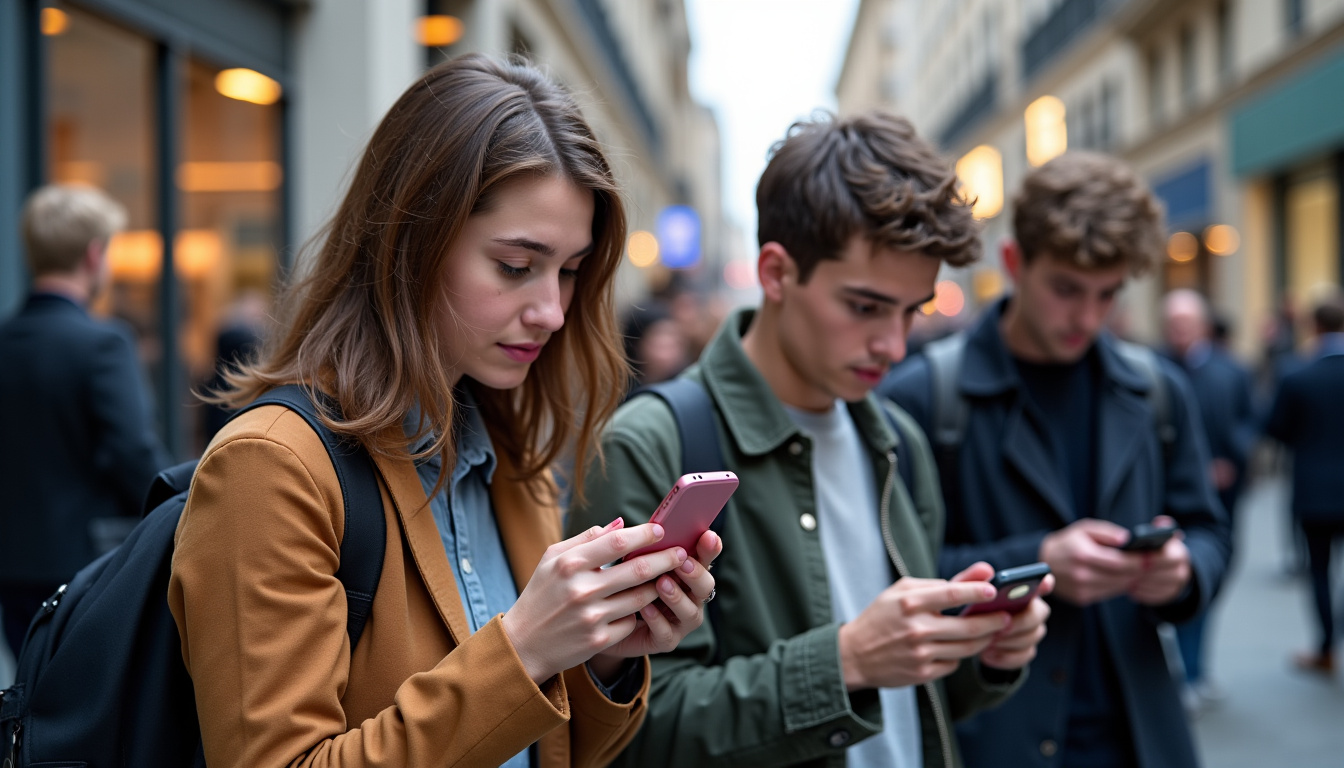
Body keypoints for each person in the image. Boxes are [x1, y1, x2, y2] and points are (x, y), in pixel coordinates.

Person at [167, 54, 720, 768]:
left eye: (572, 270)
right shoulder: (271, 467)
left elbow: (548, 748)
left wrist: (602, 657)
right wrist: (524, 646)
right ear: (410, 243)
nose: (552, 310)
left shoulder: (510, 454)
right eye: (516, 266)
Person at [570, 112, 1052, 768]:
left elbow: (907, 703)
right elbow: (636, 734)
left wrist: (980, 656)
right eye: (864, 306)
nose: (894, 344)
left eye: (912, 311)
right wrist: (846, 660)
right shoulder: (651, 444)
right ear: (775, 273)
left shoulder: (899, 442)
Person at [882, 152, 1231, 768]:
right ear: (1014, 263)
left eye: (1108, 293)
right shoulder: (922, 396)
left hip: (1140, 732)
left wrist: (1183, 571)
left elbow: (1209, 529)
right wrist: (1038, 562)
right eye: (1067, 289)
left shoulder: (1155, 389)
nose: (1088, 317)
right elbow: (889, 579)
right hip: (991, 735)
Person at [0, 183, 169, 657]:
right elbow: (134, 453)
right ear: (94, 256)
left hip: (12, 563)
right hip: (88, 564)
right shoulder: (103, 344)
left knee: (28, 695)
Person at [1161, 289, 1257, 709]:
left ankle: (1195, 668)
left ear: (1201, 326)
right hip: (1166, 502)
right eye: (1173, 325)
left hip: (1221, 498)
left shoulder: (1231, 371)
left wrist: (1231, 460)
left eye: (1187, 323)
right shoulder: (1153, 370)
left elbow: (1251, 421)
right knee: (1176, 579)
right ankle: (1186, 671)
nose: (1180, 332)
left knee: (1207, 577)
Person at [1265, 295, 1344, 676]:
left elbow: (1275, 428)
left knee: (1319, 571)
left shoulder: (1298, 375)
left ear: (1314, 326)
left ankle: (1327, 646)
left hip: (1314, 490)